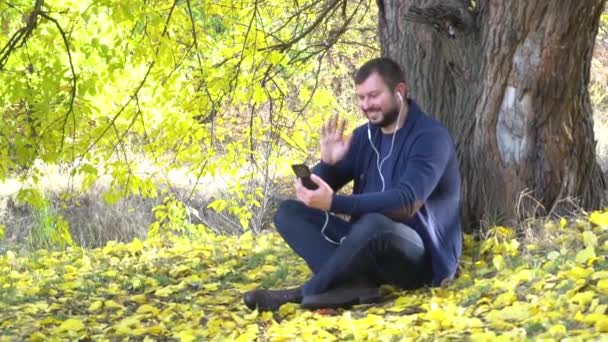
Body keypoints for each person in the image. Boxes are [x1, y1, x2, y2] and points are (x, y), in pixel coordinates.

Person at [243, 57, 462, 311]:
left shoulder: (430, 137)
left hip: (417, 260)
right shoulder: (364, 137)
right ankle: (355, 284)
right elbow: (319, 191)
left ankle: (305, 293)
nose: (366, 105)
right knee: (288, 213)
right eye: (361, 98)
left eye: (373, 95)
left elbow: (407, 202)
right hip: (363, 245)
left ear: (399, 92)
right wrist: (327, 164)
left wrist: (336, 203)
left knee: (374, 222)